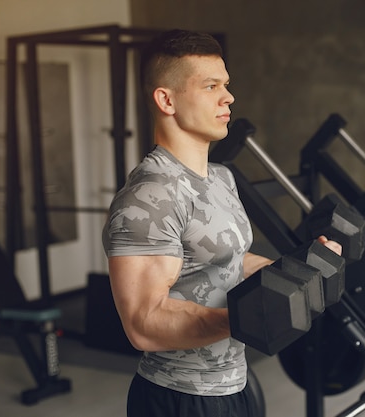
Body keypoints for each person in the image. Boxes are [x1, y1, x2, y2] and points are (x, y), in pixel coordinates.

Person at [102, 29, 342, 417]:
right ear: (166, 99)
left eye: (226, 85)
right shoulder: (149, 197)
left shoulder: (220, 177)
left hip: (235, 385)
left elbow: (231, 260)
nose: (228, 97)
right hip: (179, 398)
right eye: (211, 86)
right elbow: (143, 324)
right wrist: (250, 318)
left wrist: (299, 271)